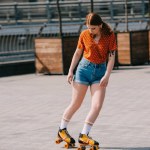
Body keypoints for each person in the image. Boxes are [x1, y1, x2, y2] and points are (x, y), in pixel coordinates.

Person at [55, 12, 117, 149]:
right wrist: (70, 70)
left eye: (93, 28)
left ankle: (84, 134)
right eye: (89, 27)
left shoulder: (109, 36)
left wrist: (107, 75)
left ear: (100, 25)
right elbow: (78, 53)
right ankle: (62, 129)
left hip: (100, 73)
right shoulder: (84, 35)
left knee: (97, 105)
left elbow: (112, 57)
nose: (90, 31)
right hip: (83, 70)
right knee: (76, 103)